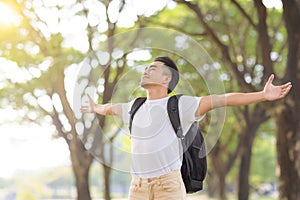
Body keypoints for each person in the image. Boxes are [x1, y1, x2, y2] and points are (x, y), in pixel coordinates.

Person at [80, 56, 292, 200]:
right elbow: (110, 109)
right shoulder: (134, 107)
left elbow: (223, 99)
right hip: (137, 187)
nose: (145, 71)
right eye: (145, 68)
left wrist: (262, 95)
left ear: (167, 78)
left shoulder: (181, 105)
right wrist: (96, 107)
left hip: (168, 186)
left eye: (152, 68)